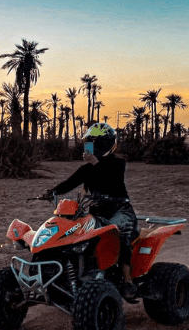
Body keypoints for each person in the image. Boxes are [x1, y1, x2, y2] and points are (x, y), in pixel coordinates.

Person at [46, 122, 139, 299]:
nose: (90, 147)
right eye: (88, 143)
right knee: (74, 235)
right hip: (97, 213)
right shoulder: (87, 169)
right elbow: (69, 183)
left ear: (106, 144)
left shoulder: (118, 164)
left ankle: (128, 281)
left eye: (94, 143)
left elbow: (111, 180)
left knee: (119, 234)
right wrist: (52, 192)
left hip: (120, 210)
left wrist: (95, 162)